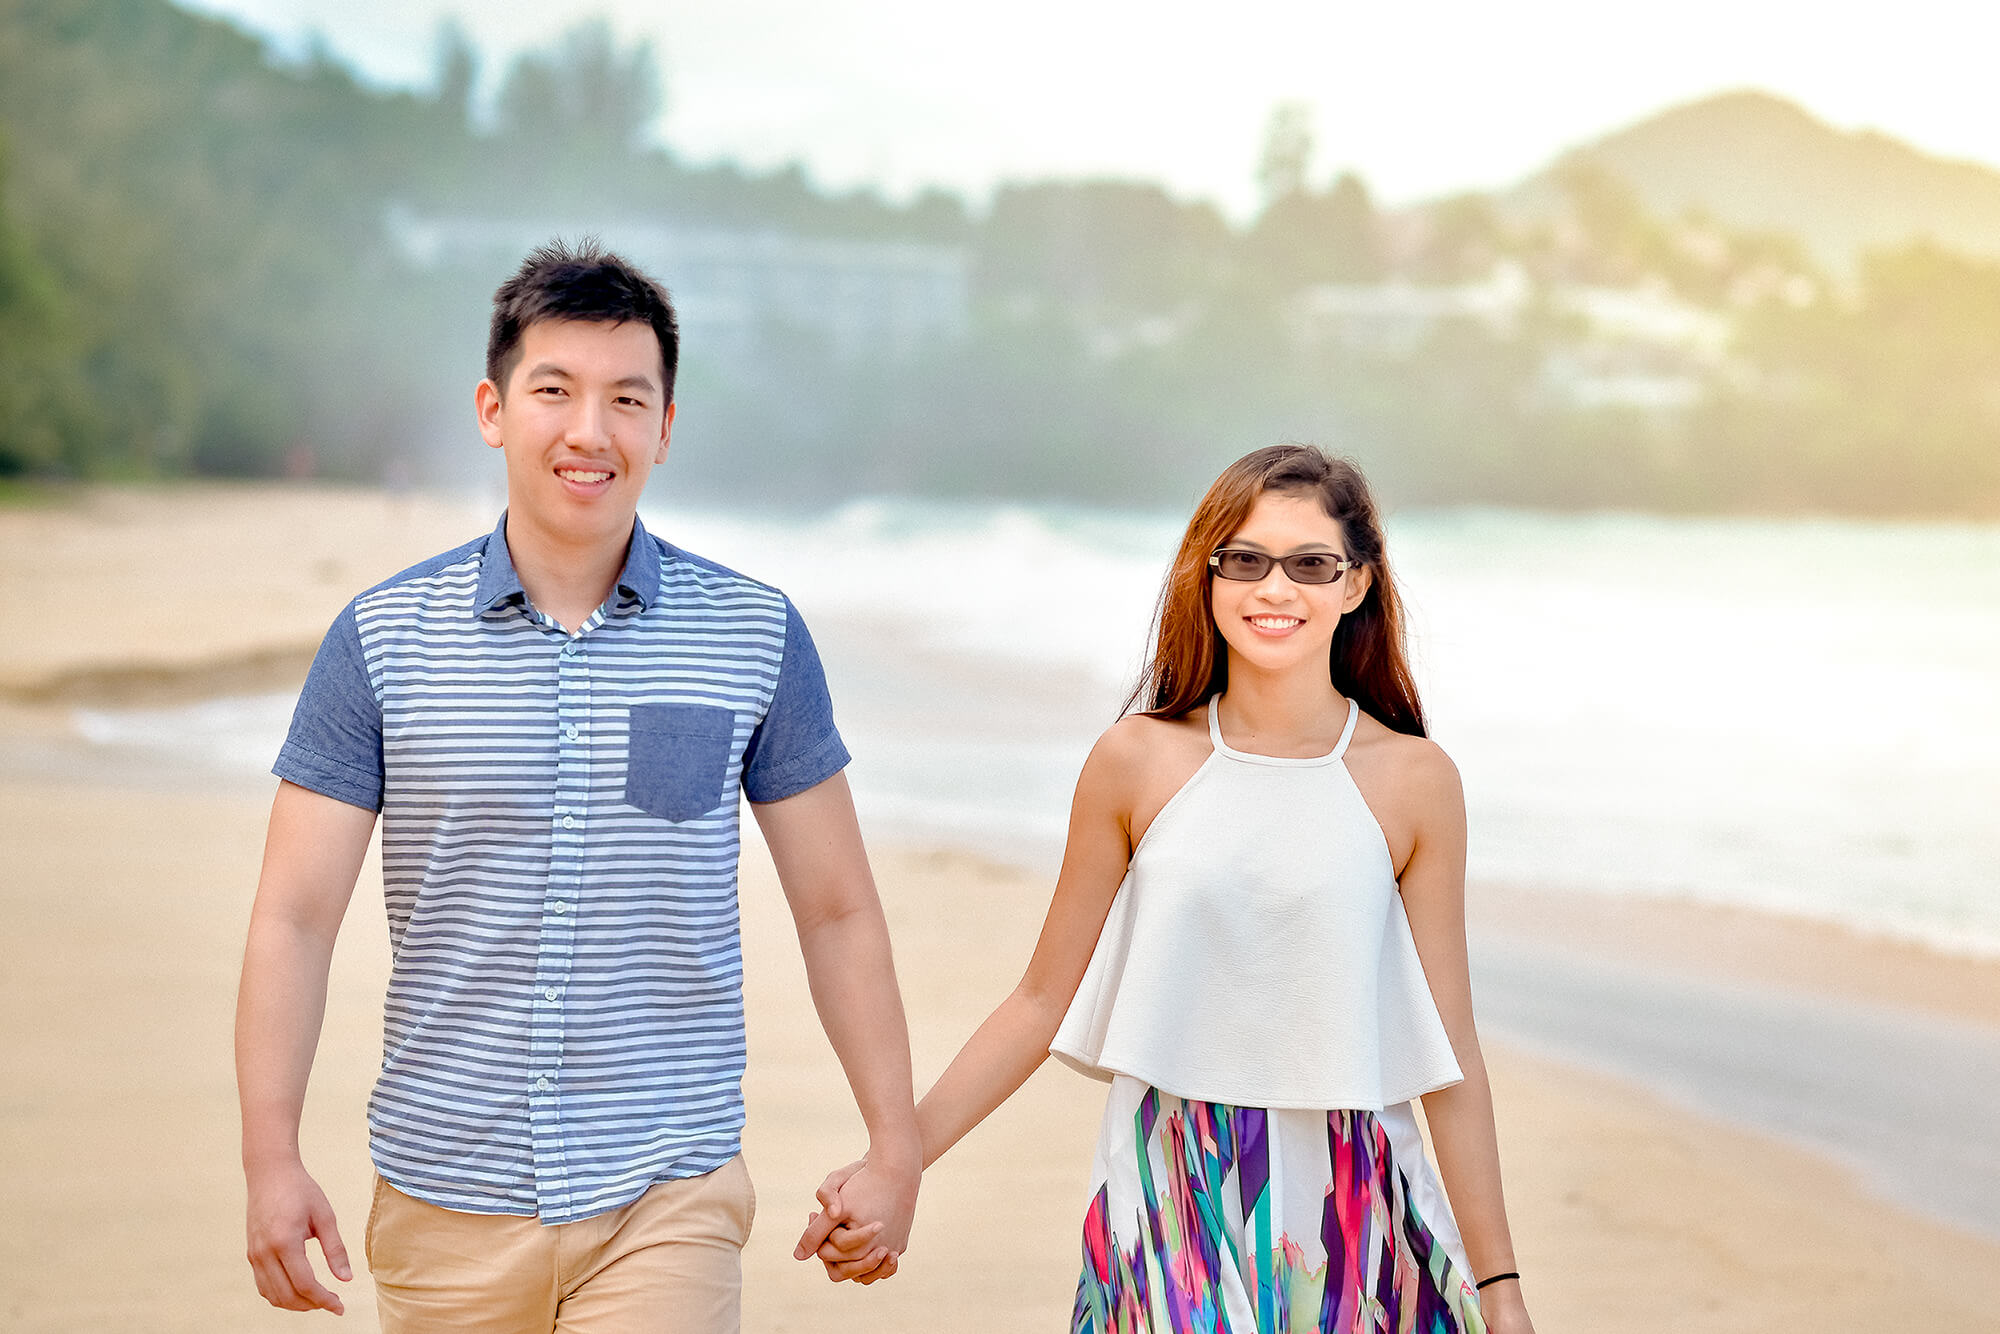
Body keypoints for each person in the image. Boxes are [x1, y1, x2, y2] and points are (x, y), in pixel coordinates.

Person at [236, 240, 921, 1332]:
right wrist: (271, 1159)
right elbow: (294, 916)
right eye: (553, 389)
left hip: (666, 1191)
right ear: (493, 408)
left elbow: (835, 907)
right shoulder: (380, 637)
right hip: (441, 1195)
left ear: (664, 427)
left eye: (626, 398)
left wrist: (896, 1146)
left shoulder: (752, 634)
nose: (589, 430)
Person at [799, 444, 1535, 1332]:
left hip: (1356, 1198)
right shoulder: (1136, 762)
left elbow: (1448, 1053)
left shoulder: (1415, 780)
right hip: (1167, 1193)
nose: (1275, 589)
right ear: (1208, 574)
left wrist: (1499, 1288)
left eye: (1310, 565)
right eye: (1246, 560)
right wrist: (899, 1161)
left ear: (1356, 585)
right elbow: (1039, 1002)